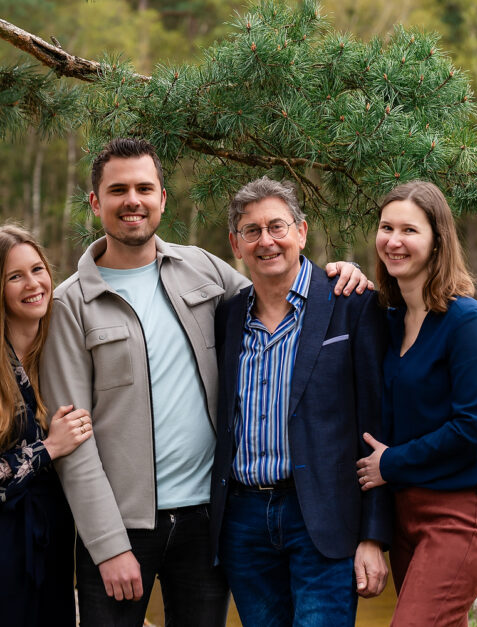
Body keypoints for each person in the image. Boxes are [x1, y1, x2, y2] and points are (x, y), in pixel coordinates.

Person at [39, 137, 370, 627]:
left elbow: (279, 288)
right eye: (118, 190)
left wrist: (338, 273)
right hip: (124, 528)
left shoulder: (201, 269)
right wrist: (107, 547)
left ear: (162, 198)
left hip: (206, 520)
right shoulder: (70, 304)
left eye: (144, 188)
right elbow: (74, 442)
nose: (133, 200)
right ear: (96, 202)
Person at [209, 177, 391, 627]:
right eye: (251, 231)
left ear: (302, 232)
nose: (266, 241)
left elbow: (378, 426)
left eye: (277, 226)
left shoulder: (352, 303)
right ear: (236, 243)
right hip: (244, 523)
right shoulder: (227, 316)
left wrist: (373, 537)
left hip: (323, 519)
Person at [355, 180, 477, 626]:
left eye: (410, 230)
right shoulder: (388, 319)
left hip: (464, 510)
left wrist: (391, 463)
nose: (394, 241)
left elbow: (472, 429)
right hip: (407, 510)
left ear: (437, 240)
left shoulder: (466, 321)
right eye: (386, 227)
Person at [0, 225, 92, 626]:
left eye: (38, 269)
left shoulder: (63, 360)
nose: (34, 283)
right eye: (15, 276)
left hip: (54, 539)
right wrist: (48, 449)